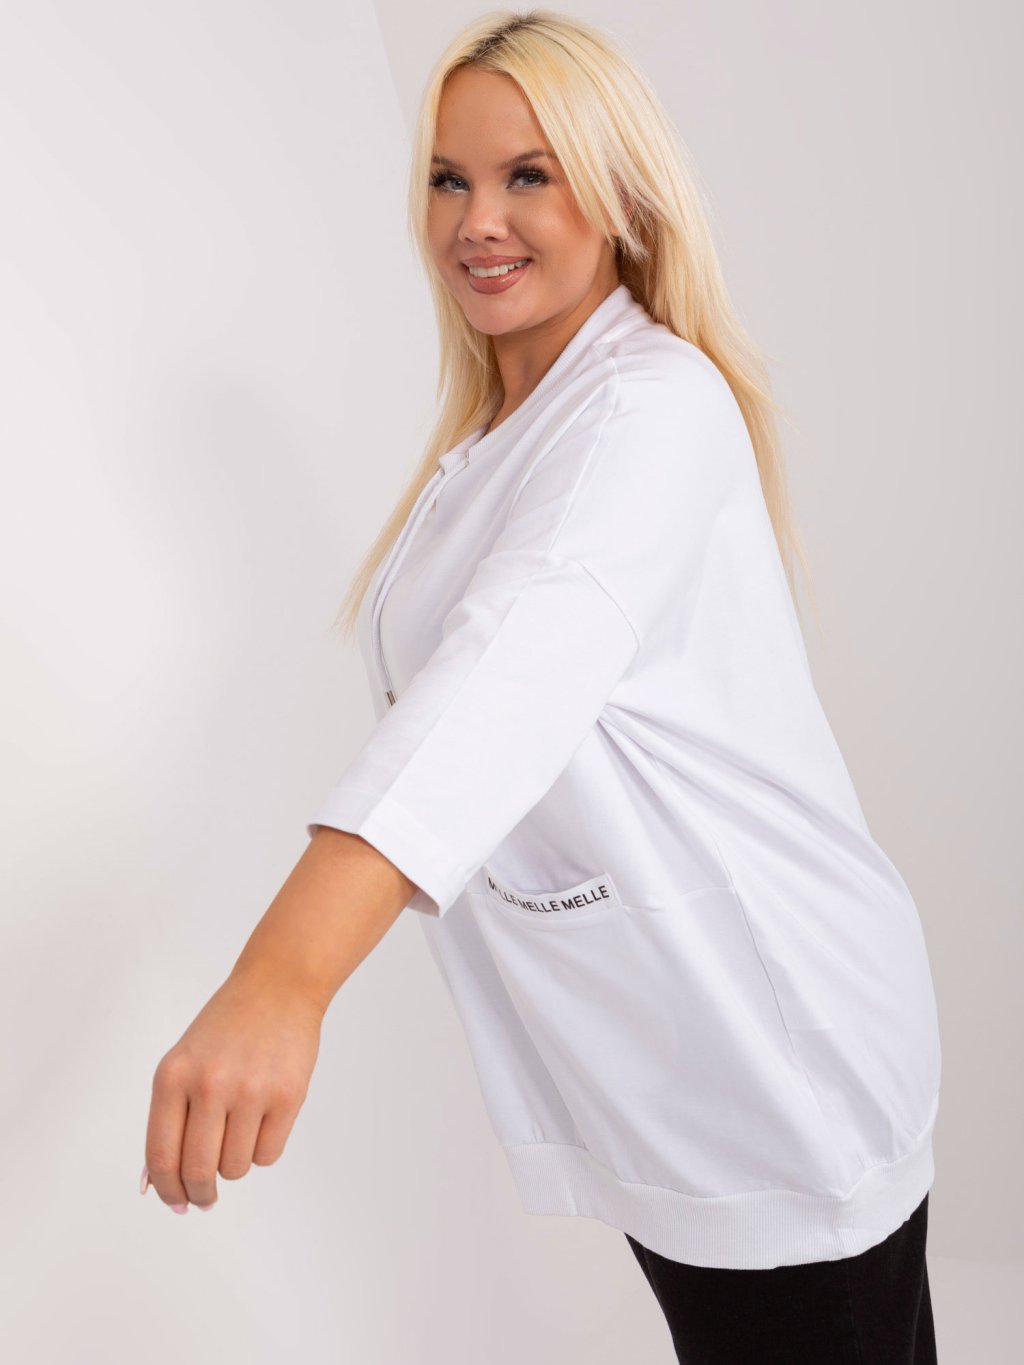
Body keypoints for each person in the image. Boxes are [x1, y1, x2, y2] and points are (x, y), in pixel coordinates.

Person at [141, 10, 941, 1361]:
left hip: (772, 1044)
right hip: (666, 1054)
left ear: (619, 195)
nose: (478, 221)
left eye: (529, 175)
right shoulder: (510, 434)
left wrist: (283, 977)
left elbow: (502, 681)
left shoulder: (648, 409)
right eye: (448, 178)